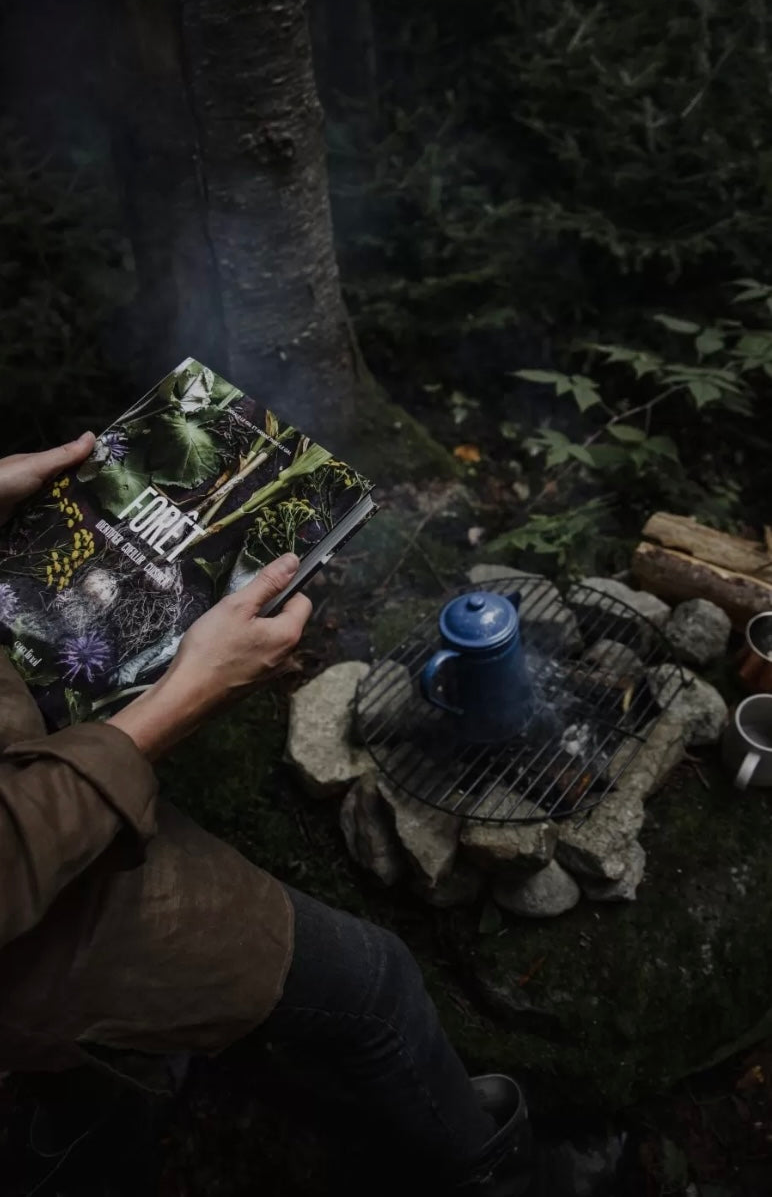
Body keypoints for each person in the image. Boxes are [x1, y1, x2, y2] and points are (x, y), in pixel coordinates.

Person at [0, 433, 533, 1195]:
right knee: (375, 983)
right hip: (39, 892)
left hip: (44, 767)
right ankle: (485, 1170)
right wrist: (183, 700)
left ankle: (89, 1104)